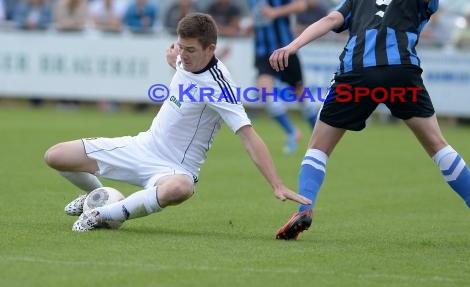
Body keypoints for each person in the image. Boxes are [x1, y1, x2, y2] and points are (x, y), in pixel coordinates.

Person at [269, 0, 470, 246]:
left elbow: (329, 20)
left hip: (356, 76)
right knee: (438, 145)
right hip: (401, 75)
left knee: (318, 148)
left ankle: (304, 210)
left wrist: (292, 46)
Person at [44, 13, 310, 232]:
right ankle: (96, 198)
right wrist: (174, 59)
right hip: (142, 146)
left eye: (191, 50)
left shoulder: (220, 86)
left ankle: (102, 215)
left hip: (174, 169)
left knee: (182, 188)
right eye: (181, 47)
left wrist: (276, 184)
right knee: (55, 156)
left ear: (210, 49)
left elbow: (249, 137)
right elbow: (178, 60)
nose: (183, 55)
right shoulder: (184, 59)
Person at [247, 0, 317, 154]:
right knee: (264, 91)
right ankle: (291, 132)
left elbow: (301, 4)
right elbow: (259, 16)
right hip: (262, 51)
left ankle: (319, 139)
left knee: (300, 95)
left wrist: (275, 12)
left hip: (285, 49)